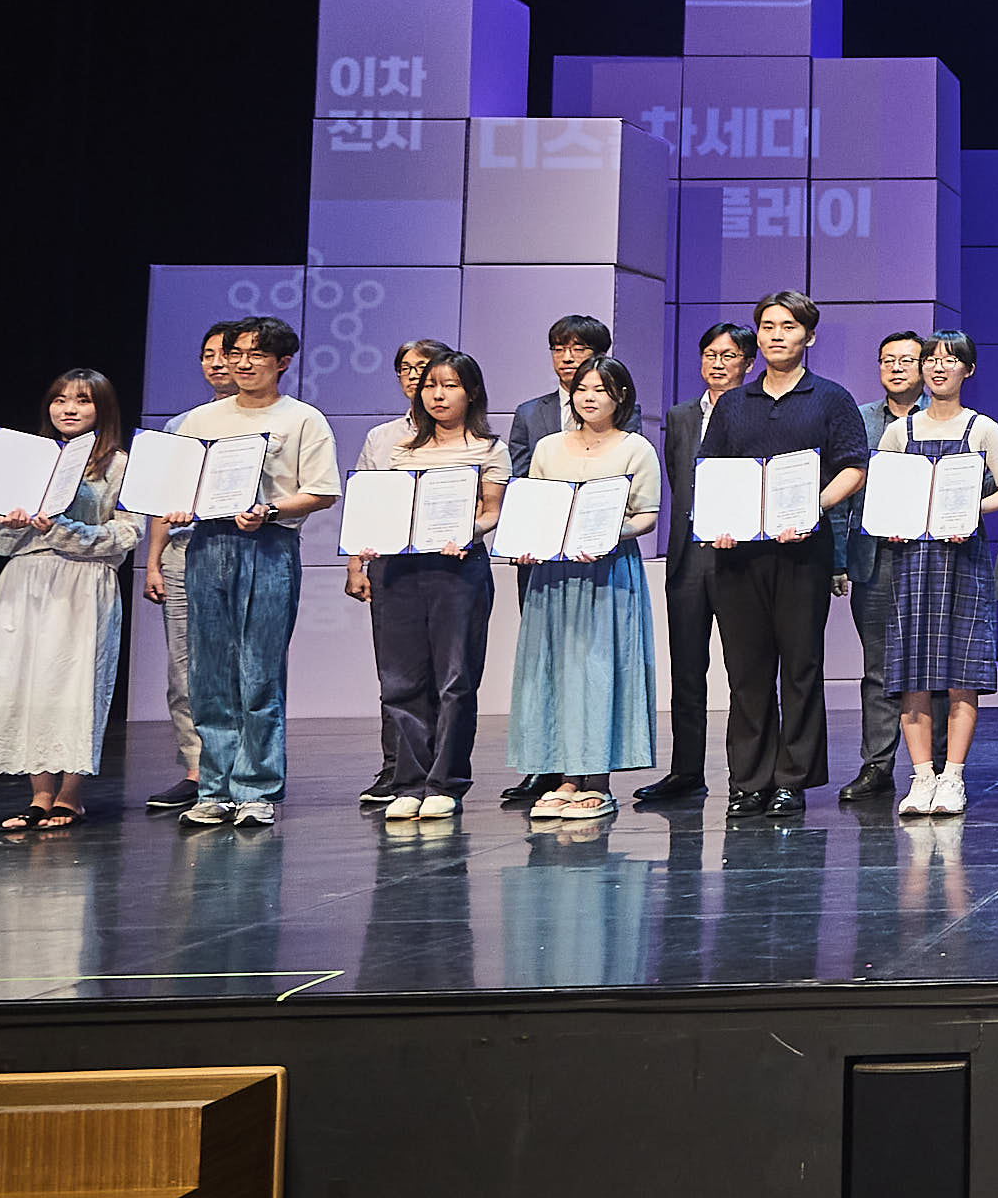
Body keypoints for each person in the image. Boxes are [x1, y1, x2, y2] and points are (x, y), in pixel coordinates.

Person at [154, 317, 340, 825]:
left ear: (282, 362)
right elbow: (174, 486)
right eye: (235, 353)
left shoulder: (302, 419)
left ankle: (257, 788)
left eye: (256, 354)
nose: (241, 363)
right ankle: (213, 787)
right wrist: (177, 505)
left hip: (268, 546)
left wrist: (270, 510)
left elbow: (322, 491)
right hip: (207, 545)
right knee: (208, 671)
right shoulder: (199, 421)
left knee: (259, 670)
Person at [696, 290, 868, 818]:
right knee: (746, 670)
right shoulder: (732, 403)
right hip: (738, 556)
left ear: (808, 336)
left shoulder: (830, 398)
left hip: (802, 551)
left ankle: (793, 778)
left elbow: (854, 467)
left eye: (788, 326)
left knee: (800, 666)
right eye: (768, 326)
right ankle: (749, 779)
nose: (776, 335)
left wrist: (814, 507)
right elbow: (712, 471)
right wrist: (719, 525)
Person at [0, 368, 138, 831]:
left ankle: (70, 795)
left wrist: (63, 529)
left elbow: (126, 535)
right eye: (60, 400)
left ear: (102, 408)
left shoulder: (119, 465)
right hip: (25, 579)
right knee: (27, 685)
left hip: (83, 581)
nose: (68, 409)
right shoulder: (29, 459)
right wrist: (10, 524)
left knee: (74, 685)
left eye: (82, 400)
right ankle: (40, 794)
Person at [347, 346, 508, 818]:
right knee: (400, 680)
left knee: (455, 680)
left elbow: (492, 511)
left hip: (457, 570)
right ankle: (408, 782)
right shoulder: (400, 449)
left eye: (449, 386)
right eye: (430, 386)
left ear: (471, 393)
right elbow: (379, 506)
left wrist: (467, 531)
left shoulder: (488, 448)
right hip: (399, 569)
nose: (437, 395)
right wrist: (366, 547)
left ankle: (445, 783)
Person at [505, 354, 665, 820]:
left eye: (600, 389)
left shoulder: (636, 448)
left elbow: (647, 516)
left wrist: (609, 535)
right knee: (555, 670)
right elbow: (537, 506)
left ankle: (597, 781)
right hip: (554, 575)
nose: (589, 397)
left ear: (621, 396)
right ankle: (564, 778)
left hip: (607, 573)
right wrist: (528, 544)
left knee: (598, 671)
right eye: (582, 389)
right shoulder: (550, 447)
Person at [873, 331, 998, 817]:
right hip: (912, 561)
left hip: (963, 561)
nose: (939, 368)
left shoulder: (982, 428)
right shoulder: (900, 432)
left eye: (951, 360)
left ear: (968, 370)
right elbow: (885, 493)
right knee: (911, 673)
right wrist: (895, 522)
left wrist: (971, 510)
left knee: (963, 673)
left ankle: (953, 776)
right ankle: (922, 778)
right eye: (931, 360)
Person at [633, 320, 749, 809]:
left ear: (748, 363)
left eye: (728, 356)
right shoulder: (680, 416)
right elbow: (678, 480)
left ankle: (746, 775)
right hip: (687, 555)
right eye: (710, 355)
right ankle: (686, 771)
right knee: (686, 669)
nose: (717, 364)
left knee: (745, 671)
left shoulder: (755, 410)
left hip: (741, 555)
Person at [833, 330, 930, 807]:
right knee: (877, 667)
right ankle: (877, 765)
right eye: (887, 360)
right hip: (873, 558)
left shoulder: (943, 418)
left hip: (932, 558)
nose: (896, 367)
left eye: (906, 360)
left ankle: (932, 767)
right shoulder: (858, 420)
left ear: (925, 367)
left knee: (932, 666)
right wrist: (837, 558)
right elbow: (839, 493)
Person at [143, 319, 235, 814]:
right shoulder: (181, 425)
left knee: (237, 666)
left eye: (228, 354)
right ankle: (197, 770)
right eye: (208, 355)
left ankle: (241, 770)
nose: (218, 364)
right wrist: (153, 562)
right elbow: (164, 499)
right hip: (182, 550)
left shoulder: (269, 422)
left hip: (239, 548)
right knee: (183, 667)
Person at [502, 313, 631, 472]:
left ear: (600, 356)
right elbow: (520, 476)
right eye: (558, 349)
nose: (567, 358)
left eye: (578, 349)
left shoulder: (619, 408)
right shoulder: (528, 413)